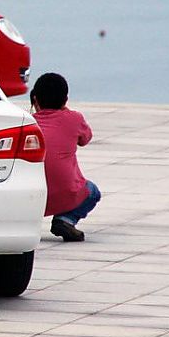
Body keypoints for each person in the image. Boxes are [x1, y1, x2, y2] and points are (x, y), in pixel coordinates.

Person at [31, 72, 100, 241]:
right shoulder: (74, 119)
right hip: (66, 195)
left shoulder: (27, 123)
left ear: (35, 99)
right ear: (66, 100)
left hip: (33, 198)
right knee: (93, 192)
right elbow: (85, 138)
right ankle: (65, 219)